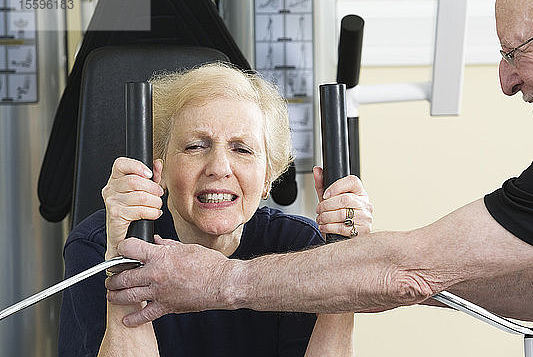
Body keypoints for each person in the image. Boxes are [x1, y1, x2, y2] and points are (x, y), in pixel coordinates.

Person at [104, 0, 533, 329]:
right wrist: (357, 270)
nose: (505, 81)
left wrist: (219, 281)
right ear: (159, 166)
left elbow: (411, 269)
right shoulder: (104, 241)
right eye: (194, 147)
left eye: (516, 52)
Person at [57, 63, 374, 357]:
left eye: (242, 149)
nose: (219, 167)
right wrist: (121, 258)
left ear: (267, 178)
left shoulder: (299, 245)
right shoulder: (97, 244)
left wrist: (345, 263)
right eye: (196, 146)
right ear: (160, 168)